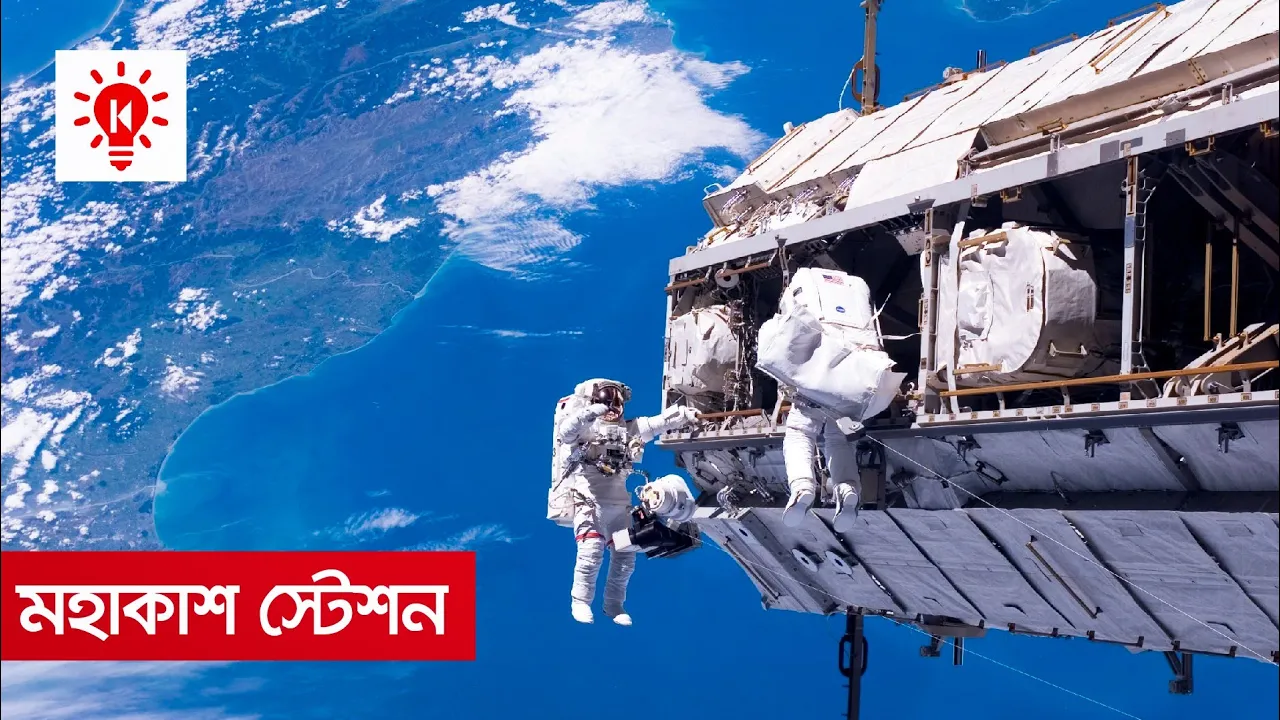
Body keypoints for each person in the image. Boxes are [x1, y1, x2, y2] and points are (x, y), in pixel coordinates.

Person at [554, 379, 699, 626]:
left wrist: (684, 415)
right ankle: (580, 602)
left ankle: (614, 605)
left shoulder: (629, 430)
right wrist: (590, 413)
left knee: (625, 559)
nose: (612, 408)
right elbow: (566, 432)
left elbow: (657, 423)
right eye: (606, 401)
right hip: (591, 506)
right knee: (590, 555)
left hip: (620, 510)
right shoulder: (585, 430)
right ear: (594, 401)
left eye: (617, 402)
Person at [781, 394, 862, 532]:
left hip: (819, 389)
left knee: (799, 432)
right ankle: (846, 489)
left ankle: (802, 487)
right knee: (840, 439)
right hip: (857, 392)